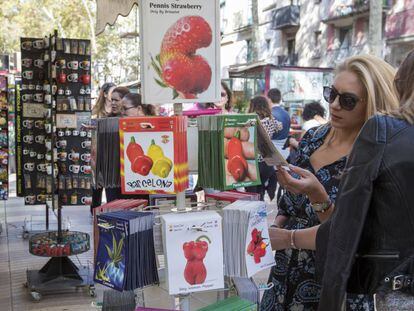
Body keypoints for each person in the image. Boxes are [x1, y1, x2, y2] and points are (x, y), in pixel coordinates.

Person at [269, 51, 414, 311]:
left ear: (372, 103)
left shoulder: (377, 153)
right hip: (284, 270)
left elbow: (349, 233)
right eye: (331, 94)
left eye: (348, 101)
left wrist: (315, 199)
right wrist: (274, 224)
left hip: (333, 281)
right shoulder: (313, 137)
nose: (334, 105)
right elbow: (287, 204)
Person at [245, 96, 281, 200]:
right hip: (266, 162)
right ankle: (260, 210)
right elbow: (280, 127)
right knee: (260, 191)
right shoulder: (271, 120)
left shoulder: (251, 120)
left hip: (252, 161)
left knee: (251, 193)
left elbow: (243, 129)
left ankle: (253, 212)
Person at [90, 82, 115, 214]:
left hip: (111, 153)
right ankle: (94, 210)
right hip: (98, 151)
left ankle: (111, 208)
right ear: (105, 94)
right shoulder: (96, 112)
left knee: (111, 184)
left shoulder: (117, 111)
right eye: (112, 92)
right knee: (97, 186)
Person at [268, 88, 291, 159]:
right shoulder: (287, 114)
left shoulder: (269, 114)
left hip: (271, 152)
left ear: (269, 99)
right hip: (285, 152)